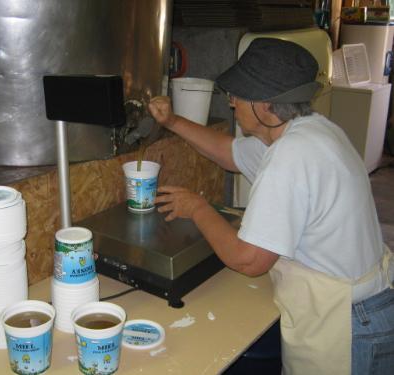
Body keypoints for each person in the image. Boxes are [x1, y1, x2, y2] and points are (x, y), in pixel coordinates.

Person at [148, 38, 394, 375]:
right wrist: (172, 122)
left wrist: (198, 209)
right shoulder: (312, 131)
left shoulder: (291, 156)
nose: (232, 103)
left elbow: (250, 260)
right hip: (365, 307)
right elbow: (229, 153)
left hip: (349, 324)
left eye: (237, 96)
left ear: (265, 106)